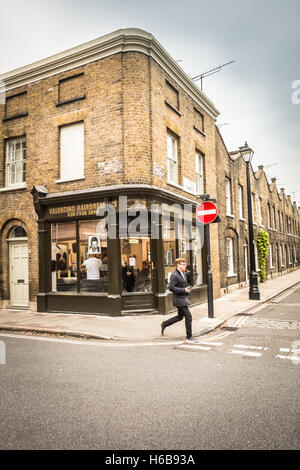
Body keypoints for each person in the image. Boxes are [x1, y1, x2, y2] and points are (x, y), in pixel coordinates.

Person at [160, 258, 196, 341]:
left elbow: (183, 285)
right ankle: (189, 336)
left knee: (180, 317)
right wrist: (183, 290)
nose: (185, 266)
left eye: (185, 264)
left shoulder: (182, 273)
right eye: (182, 264)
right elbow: (171, 287)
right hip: (179, 299)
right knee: (189, 317)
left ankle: (164, 324)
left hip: (183, 298)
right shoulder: (174, 275)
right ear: (178, 265)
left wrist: (186, 289)